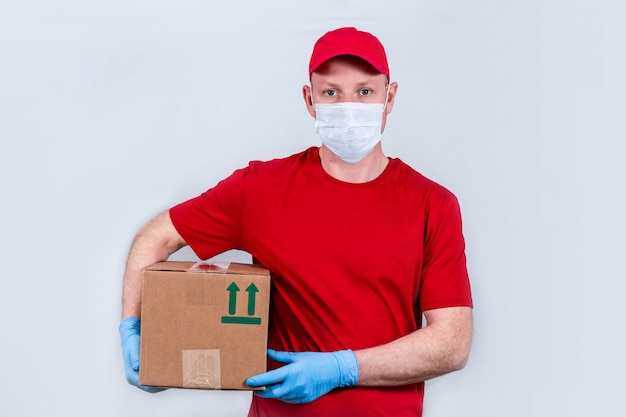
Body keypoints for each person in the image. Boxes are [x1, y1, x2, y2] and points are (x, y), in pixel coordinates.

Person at [119, 27, 473, 417]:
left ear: (390, 97)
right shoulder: (260, 190)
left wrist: (344, 368)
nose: (348, 105)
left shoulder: (432, 204)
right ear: (310, 99)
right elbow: (156, 237)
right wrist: (133, 330)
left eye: (365, 91)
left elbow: (452, 342)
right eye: (331, 92)